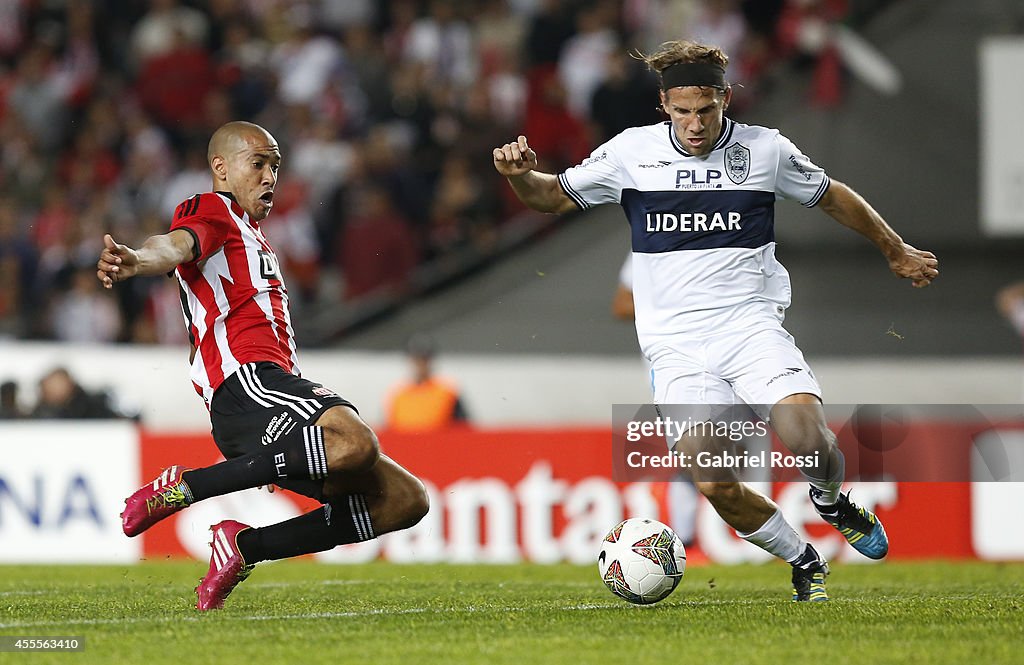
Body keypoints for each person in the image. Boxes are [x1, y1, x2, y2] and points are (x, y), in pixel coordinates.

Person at [493, 40, 939, 601]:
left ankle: (830, 500)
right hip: (675, 348)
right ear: (663, 105)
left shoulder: (765, 150)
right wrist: (518, 176)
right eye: (682, 111)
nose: (695, 124)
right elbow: (551, 198)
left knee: (808, 437)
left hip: (750, 327)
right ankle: (804, 558)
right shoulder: (632, 153)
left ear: (725, 98)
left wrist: (894, 248)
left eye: (706, 110)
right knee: (712, 480)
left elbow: (831, 197)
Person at [96, 121, 429, 611]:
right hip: (247, 382)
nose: (269, 176)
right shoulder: (213, 209)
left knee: (405, 499)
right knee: (353, 440)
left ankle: (244, 548)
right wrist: (139, 260)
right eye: (258, 164)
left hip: (267, 401)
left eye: (275, 165)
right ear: (221, 168)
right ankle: (186, 487)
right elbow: (174, 244)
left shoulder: (253, 237)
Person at [385, 333, 470, 433]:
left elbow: (463, 430)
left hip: (439, 446)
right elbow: (390, 431)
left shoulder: (447, 393)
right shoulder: (397, 395)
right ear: (410, 360)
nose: (421, 364)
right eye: (417, 358)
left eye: (425, 359)